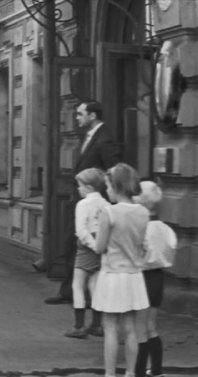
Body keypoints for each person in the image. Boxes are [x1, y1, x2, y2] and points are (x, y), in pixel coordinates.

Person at [42, 100, 123, 306]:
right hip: (82, 200)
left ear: (92, 115)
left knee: (82, 246)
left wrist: (99, 199)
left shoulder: (105, 139)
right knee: (72, 244)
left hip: (94, 206)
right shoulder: (90, 136)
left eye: (80, 114)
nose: (76, 118)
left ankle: (83, 293)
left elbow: (113, 171)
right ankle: (71, 291)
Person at [83, 163, 149, 377]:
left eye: (108, 185)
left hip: (112, 274)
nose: (106, 190)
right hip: (134, 276)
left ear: (116, 185)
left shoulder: (109, 212)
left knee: (110, 327)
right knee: (131, 329)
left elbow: (100, 247)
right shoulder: (142, 211)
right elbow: (143, 245)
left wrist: (90, 239)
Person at [133, 180, 176, 377]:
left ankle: (139, 374)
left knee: (138, 327)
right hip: (158, 277)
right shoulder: (164, 228)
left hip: (142, 276)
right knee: (151, 326)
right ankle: (157, 372)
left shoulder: (141, 228)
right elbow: (171, 249)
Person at [64, 168, 109, 339]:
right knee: (95, 286)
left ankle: (79, 326)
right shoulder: (105, 204)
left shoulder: (82, 205)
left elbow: (81, 230)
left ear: (88, 187)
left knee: (78, 286)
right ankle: (97, 324)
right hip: (101, 247)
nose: (78, 189)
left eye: (80, 186)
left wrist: (92, 245)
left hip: (85, 249)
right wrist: (100, 246)